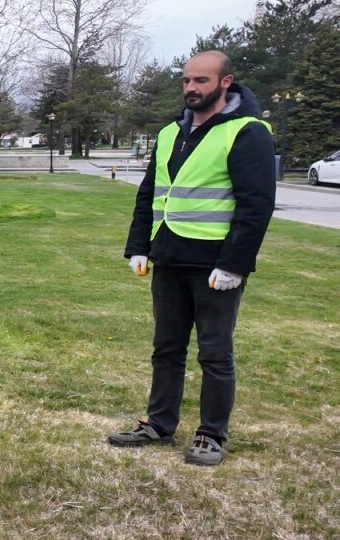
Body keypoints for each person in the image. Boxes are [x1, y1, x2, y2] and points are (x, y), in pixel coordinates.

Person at [108, 51, 275, 467]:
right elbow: (149, 194)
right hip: (168, 256)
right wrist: (139, 246)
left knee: (215, 352)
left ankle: (210, 434)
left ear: (225, 82)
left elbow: (256, 206)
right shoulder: (171, 132)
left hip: (214, 265)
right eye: (186, 80)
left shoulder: (246, 132)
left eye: (201, 80)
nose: (190, 88)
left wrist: (234, 264)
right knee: (166, 347)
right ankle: (159, 423)